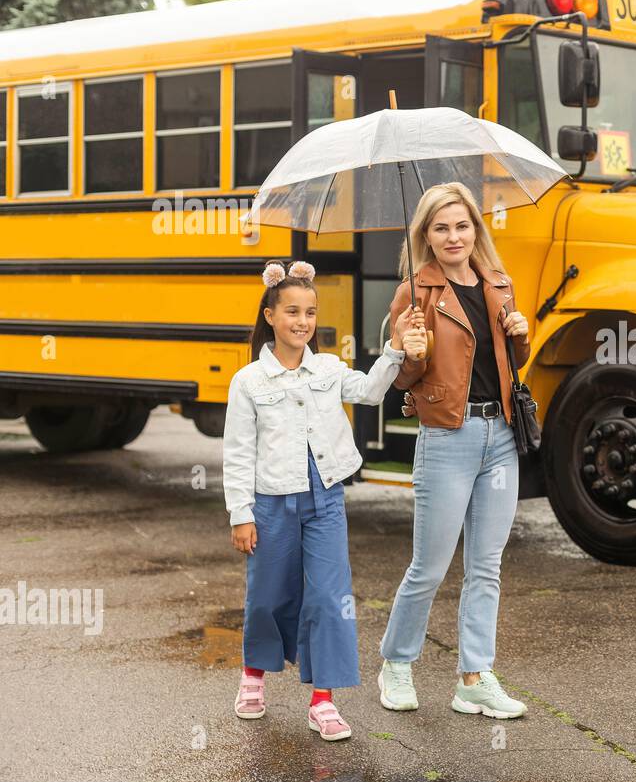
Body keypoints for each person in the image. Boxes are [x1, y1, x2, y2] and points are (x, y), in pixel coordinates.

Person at [223, 259, 424, 740]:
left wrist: (396, 347)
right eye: (292, 311)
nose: (302, 322)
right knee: (269, 594)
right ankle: (254, 675)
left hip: (326, 498)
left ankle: (323, 700)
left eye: (310, 313)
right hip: (271, 501)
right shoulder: (249, 381)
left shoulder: (329, 368)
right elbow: (236, 452)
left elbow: (373, 392)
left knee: (330, 598)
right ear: (270, 315)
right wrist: (240, 514)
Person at [377, 182, 531, 719]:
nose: (453, 236)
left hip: (501, 437)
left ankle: (474, 677)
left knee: (486, 565)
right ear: (426, 235)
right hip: (447, 434)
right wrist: (408, 350)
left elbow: (513, 365)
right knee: (430, 565)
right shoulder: (414, 294)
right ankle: (396, 664)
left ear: (475, 230)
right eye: (441, 227)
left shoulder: (498, 284)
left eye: (461, 225)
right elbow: (403, 380)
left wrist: (520, 333)